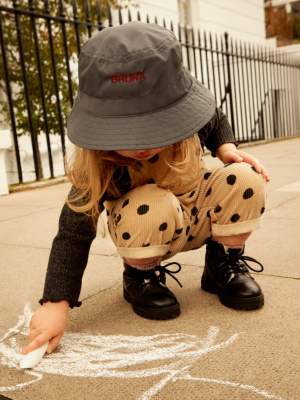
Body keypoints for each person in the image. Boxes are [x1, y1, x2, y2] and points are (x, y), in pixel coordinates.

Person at [23, 21, 269, 356]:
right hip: (149, 229)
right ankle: (141, 277)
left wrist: (225, 149)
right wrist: (56, 304)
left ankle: (222, 263)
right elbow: (72, 232)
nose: (144, 143)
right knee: (149, 203)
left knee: (245, 177)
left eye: (155, 125)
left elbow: (214, 117)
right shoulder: (101, 166)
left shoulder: (191, 127)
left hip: (197, 216)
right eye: (130, 132)